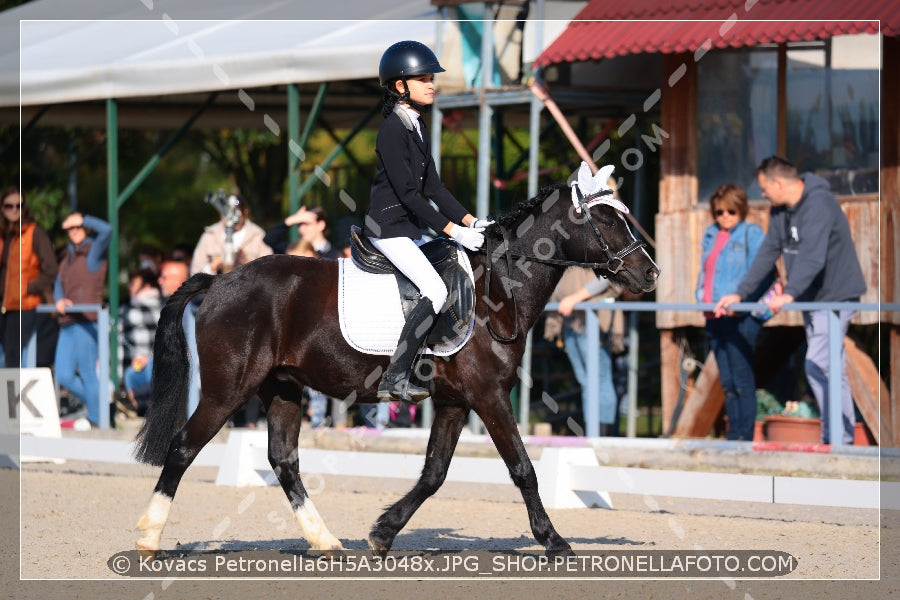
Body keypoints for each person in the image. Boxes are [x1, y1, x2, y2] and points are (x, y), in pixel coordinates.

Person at [364, 40, 491, 404]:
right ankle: (396, 376)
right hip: (386, 228)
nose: (432, 83)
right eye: (423, 78)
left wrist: (472, 221)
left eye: (431, 77)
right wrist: (452, 231)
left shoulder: (416, 126)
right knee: (435, 291)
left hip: (408, 229)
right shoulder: (392, 129)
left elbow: (435, 187)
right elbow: (409, 194)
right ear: (399, 86)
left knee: (456, 264)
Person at [715, 156, 867, 444]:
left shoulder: (819, 204)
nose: (762, 193)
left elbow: (813, 257)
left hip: (835, 296)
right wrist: (741, 292)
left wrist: (789, 293)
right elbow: (767, 253)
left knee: (818, 363)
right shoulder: (780, 211)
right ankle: (838, 435)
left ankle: (839, 438)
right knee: (828, 365)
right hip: (811, 298)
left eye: (764, 187)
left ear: (779, 182)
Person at [696, 183, 765, 441]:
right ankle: (732, 435)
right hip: (713, 314)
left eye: (731, 211)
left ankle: (744, 437)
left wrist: (740, 302)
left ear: (741, 210)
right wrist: (700, 297)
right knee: (727, 381)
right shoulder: (711, 233)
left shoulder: (751, 233)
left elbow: (760, 273)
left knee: (742, 380)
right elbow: (705, 272)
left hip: (739, 316)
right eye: (719, 212)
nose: (724, 216)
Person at [545, 267, 623, 437]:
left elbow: (609, 276)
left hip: (592, 319)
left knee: (600, 380)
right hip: (570, 320)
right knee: (586, 382)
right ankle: (592, 435)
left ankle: (603, 437)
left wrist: (575, 298)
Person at [53, 212, 111, 427]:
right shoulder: (67, 255)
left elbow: (108, 230)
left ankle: (97, 419)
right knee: (64, 375)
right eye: (70, 228)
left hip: (87, 321)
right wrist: (59, 299)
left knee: (87, 372)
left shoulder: (93, 251)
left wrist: (82, 219)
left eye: (78, 227)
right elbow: (58, 283)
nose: (74, 231)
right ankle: (101, 407)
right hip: (67, 323)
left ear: (85, 227)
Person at [0, 187, 58, 368]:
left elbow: (51, 269)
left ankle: (12, 397)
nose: (14, 209)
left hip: (23, 305)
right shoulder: (3, 235)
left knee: (13, 357)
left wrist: (28, 288)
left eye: (19, 205)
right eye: (9, 206)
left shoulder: (34, 233)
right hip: (3, 304)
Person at [118, 268, 162, 417]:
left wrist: (147, 356)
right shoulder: (162, 306)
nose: (130, 287)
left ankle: (133, 403)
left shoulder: (132, 309)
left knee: (134, 373)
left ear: (147, 286)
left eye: (134, 284)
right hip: (143, 365)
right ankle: (136, 405)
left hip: (148, 365)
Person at [190, 195, 272, 275]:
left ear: (245, 213)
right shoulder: (210, 235)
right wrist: (213, 267)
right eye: (228, 211)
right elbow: (194, 272)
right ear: (221, 212)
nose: (232, 217)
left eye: (237, 212)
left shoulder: (258, 236)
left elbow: (270, 271)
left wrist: (248, 265)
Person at [265, 206, 341, 258]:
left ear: (321, 225)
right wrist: (293, 219)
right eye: (299, 224)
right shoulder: (293, 250)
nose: (301, 229)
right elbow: (269, 239)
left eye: (306, 224)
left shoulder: (335, 254)